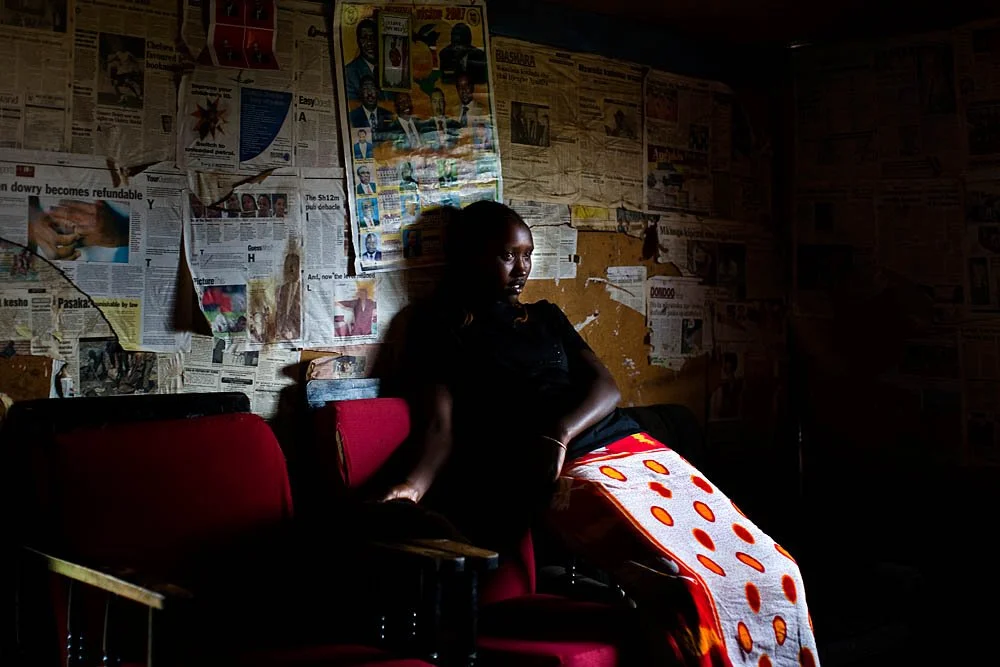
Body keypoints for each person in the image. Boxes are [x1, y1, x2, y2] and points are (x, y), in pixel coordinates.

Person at [381, 201, 819, 666]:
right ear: (470, 255)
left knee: (775, 567)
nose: (522, 268)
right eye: (508, 255)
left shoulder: (546, 316)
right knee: (685, 581)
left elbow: (607, 388)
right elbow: (439, 427)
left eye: (528, 254)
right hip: (575, 469)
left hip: (629, 446)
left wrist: (559, 431)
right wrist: (410, 488)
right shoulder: (440, 328)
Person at [345, 18, 379, 101]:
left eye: (372, 37)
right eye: (364, 38)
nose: (369, 42)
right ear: (358, 41)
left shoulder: (389, 67)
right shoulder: (350, 72)